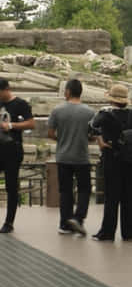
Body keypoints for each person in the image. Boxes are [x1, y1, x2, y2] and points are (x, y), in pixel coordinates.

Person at [0, 78, 34, 233]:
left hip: (13, 150)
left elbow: (31, 124)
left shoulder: (20, 104)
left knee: (11, 186)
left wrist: (11, 125)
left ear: (6, 89)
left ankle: (9, 222)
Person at [47, 79, 95, 236]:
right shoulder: (90, 112)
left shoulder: (57, 110)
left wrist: (62, 139)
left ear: (67, 91)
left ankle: (64, 224)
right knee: (84, 189)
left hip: (63, 156)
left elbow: (50, 133)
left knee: (65, 191)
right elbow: (93, 136)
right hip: (82, 157)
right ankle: (78, 218)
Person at [90, 84, 132, 242]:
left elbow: (91, 127)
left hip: (111, 158)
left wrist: (101, 141)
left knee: (111, 197)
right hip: (129, 159)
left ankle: (107, 232)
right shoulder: (131, 114)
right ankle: (128, 232)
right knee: (128, 197)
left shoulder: (105, 114)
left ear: (112, 99)